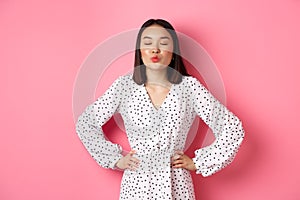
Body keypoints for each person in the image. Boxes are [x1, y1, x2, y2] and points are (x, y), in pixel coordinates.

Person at [76, 19, 245, 200]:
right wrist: (115, 159)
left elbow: (232, 128)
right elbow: (86, 123)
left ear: (173, 53)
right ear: (140, 51)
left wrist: (199, 163)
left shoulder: (190, 88)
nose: (155, 49)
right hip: (137, 185)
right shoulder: (123, 86)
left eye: (163, 43)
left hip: (176, 183)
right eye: (147, 43)